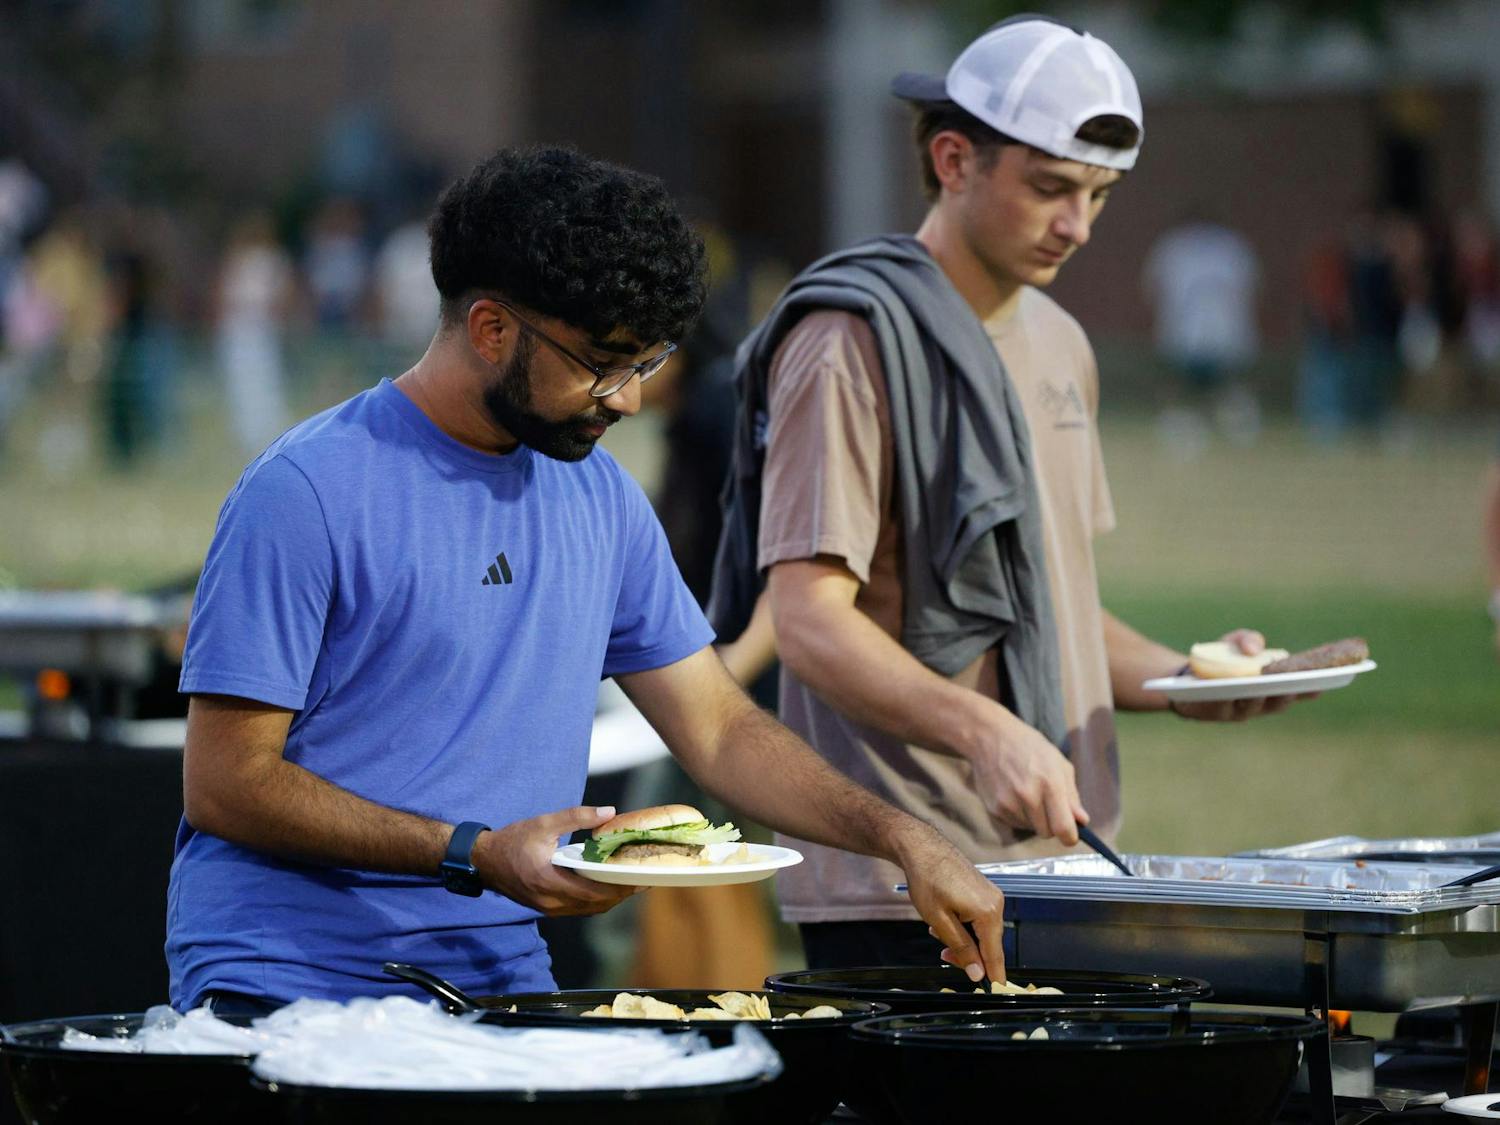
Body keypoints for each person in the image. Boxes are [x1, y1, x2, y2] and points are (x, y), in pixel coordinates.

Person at [167, 145, 1006, 1015]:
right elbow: (227, 782)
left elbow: (718, 729)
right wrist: (473, 851)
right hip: (289, 981)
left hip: (500, 978)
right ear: (492, 329)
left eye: (646, 364)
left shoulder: (598, 494)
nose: (630, 398)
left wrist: (904, 839)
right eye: (604, 363)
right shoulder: (305, 490)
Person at [711, 15, 1303, 973]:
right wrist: (988, 731)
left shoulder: (1065, 342)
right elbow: (809, 621)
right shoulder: (848, 343)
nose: (1078, 224)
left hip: (1070, 868)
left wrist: (1185, 680)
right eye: (1050, 188)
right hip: (904, 881)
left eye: (1100, 195)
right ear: (953, 159)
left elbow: (1055, 610)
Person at [1142, 210, 1263, 455]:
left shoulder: (1177, 247)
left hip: (1199, 334)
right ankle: (1225, 435)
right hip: (1206, 334)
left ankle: (1227, 435)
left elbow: (1151, 289)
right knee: (1205, 388)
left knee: (1204, 389)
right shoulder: (1228, 247)